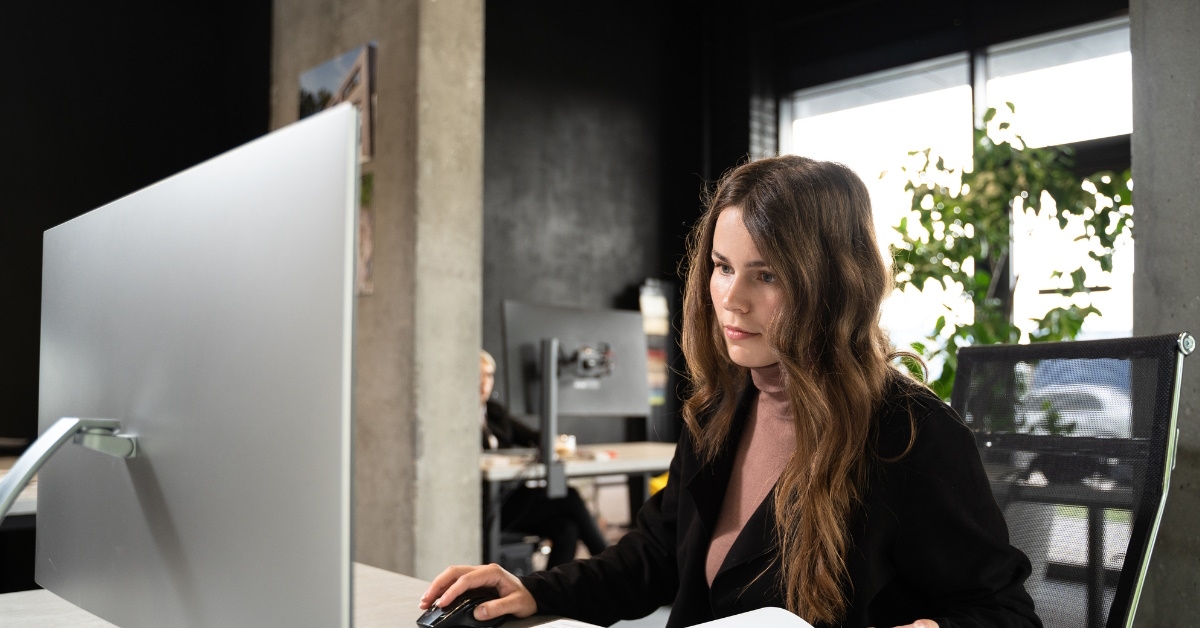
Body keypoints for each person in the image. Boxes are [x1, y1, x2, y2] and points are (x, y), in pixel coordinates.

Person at [424, 158, 1041, 628]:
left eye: (766, 274)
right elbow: (657, 554)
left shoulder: (907, 434)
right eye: (722, 267)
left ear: (831, 284)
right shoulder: (720, 409)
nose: (731, 298)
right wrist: (538, 589)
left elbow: (1005, 614)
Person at [479, 350, 609, 568]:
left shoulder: (494, 411)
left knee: (567, 528)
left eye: (489, 375)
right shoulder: (457, 415)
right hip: (487, 504)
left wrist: (558, 442)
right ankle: (609, 565)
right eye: (478, 376)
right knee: (570, 496)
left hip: (510, 495)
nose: (484, 382)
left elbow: (534, 436)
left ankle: (552, 598)